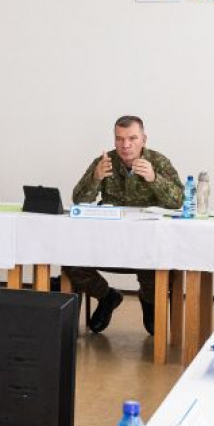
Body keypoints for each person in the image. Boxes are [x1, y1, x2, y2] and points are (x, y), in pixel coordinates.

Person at [63, 115, 183, 335]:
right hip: (109, 241)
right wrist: (95, 178)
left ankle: (148, 301)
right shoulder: (105, 161)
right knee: (71, 262)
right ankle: (107, 296)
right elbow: (79, 200)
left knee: (157, 265)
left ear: (144, 139)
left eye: (132, 138)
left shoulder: (158, 162)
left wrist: (154, 178)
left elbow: (179, 201)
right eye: (119, 139)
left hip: (147, 243)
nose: (125, 145)